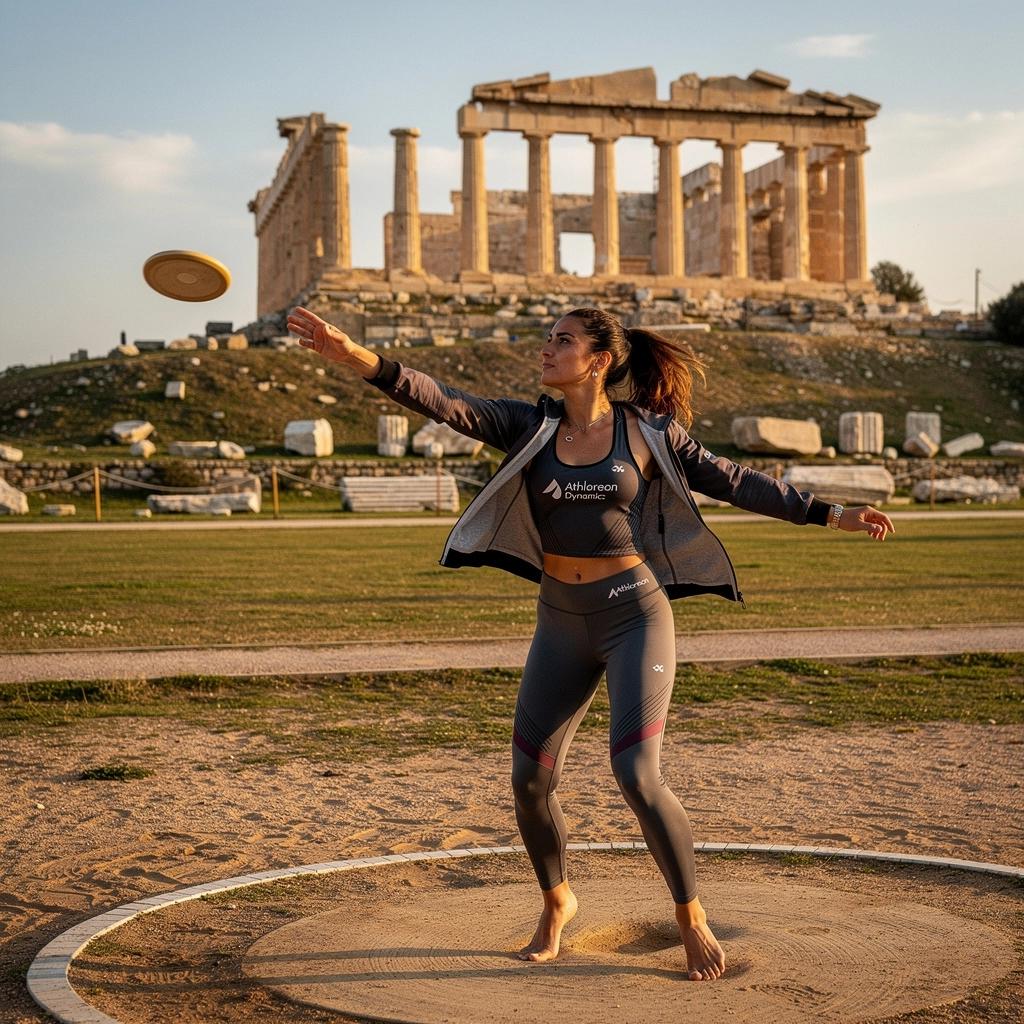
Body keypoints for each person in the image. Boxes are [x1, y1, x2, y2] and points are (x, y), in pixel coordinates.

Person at [286, 304, 895, 982]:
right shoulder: (529, 425)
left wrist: (833, 513)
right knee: (529, 781)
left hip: (635, 617)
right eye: (546, 338)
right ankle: (557, 902)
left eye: (563, 341)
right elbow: (440, 400)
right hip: (560, 622)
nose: (546, 350)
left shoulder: (648, 432)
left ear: (600, 359)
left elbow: (735, 480)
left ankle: (691, 915)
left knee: (636, 773)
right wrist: (352, 355)